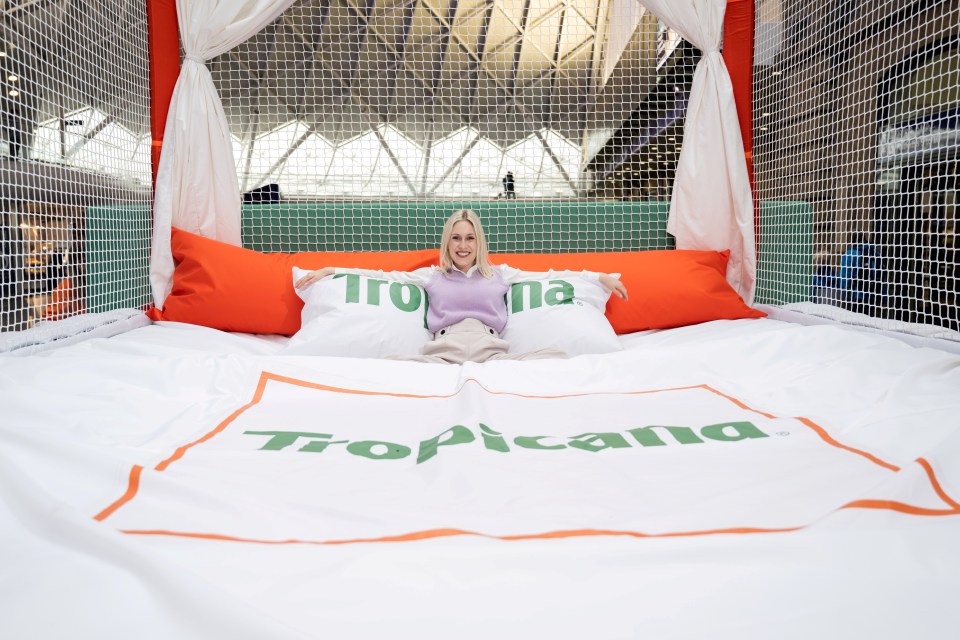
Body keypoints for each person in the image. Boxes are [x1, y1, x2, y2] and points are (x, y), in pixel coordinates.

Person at [295, 208, 627, 364]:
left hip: (491, 349)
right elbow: (382, 276)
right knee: (387, 367)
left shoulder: (500, 273)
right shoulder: (432, 275)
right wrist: (330, 269)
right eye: (456, 238)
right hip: (443, 349)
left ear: (478, 242)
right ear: (448, 242)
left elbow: (553, 276)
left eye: (469, 238)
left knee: (558, 358)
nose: (463, 245)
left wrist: (599, 278)